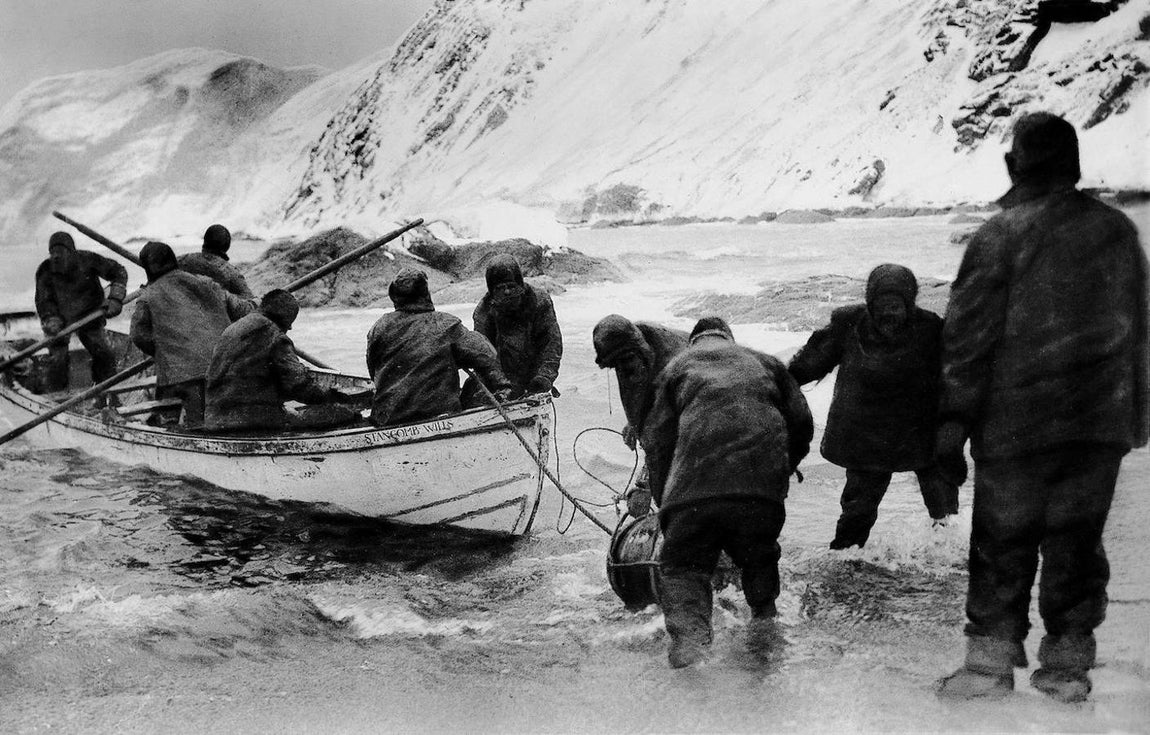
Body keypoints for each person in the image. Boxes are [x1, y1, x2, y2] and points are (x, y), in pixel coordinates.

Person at [935, 112, 1148, 702]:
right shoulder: (1117, 232)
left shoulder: (1002, 234)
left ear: (1015, 165)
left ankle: (987, 665)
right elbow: (1140, 329)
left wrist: (952, 418)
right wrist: (1131, 419)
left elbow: (967, 336)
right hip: (1099, 423)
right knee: (1078, 543)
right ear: (1073, 164)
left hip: (1017, 424)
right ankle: (1067, 667)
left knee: (1003, 540)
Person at [642, 317, 813, 668]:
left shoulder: (678, 366)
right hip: (759, 496)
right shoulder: (766, 362)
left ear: (694, 342)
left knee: (682, 569)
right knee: (760, 565)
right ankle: (763, 655)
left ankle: (692, 657)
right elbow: (802, 424)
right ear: (730, 339)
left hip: (694, 495)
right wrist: (780, 470)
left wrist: (666, 507)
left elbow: (657, 441)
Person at [787, 263, 958, 549]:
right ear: (870, 303)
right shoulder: (849, 325)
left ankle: (947, 552)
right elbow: (808, 365)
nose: (889, 313)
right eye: (882, 305)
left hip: (919, 431)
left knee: (943, 506)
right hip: (866, 436)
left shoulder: (931, 329)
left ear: (909, 303)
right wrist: (777, 384)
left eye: (896, 305)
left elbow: (959, 373)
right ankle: (846, 557)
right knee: (857, 512)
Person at [367, 268, 513, 427]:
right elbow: (486, 355)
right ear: (426, 293)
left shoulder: (379, 327)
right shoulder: (446, 324)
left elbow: (372, 370)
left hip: (387, 419)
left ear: (394, 295)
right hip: (439, 418)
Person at [130, 241, 253, 427]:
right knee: (216, 420)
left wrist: (164, 350)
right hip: (226, 366)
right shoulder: (206, 282)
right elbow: (244, 310)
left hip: (181, 375)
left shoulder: (147, 296)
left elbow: (138, 335)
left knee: (186, 423)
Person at [204, 290, 360, 433]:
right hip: (251, 420)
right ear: (284, 317)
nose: (291, 327)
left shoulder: (232, 329)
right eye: (291, 320)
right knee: (342, 413)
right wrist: (332, 396)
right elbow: (298, 385)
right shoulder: (274, 335)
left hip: (214, 418)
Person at [592, 314, 689, 517]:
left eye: (626, 361)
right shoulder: (624, 348)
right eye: (615, 365)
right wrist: (634, 423)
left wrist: (648, 483)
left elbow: (674, 429)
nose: (622, 368)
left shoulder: (675, 360)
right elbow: (632, 390)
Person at [34, 231, 128, 391]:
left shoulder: (89, 260)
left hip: (90, 315)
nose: (56, 256)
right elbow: (44, 300)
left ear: (71, 252)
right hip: (59, 321)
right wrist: (50, 319)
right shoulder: (45, 270)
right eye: (52, 252)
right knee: (57, 360)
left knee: (104, 355)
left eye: (60, 251)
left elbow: (118, 272)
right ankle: (56, 399)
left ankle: (105, 394)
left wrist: (115, 298)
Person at [466, 254, 563, 399]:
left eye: (511, 286)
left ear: (520, 285)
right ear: (492, 292)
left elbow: (551, 344)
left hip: (532, 374)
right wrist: (502, 386)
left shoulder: (539, 302)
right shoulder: (483, 313)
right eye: (500, 288)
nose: (507, 292)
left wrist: (544, 377)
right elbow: (484, 356)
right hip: (499, 377)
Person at [177, 224, 254, 298]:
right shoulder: (230, 272)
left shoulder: (182, 260)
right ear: (227, 246)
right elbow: (248, 298)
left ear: (204, 241)